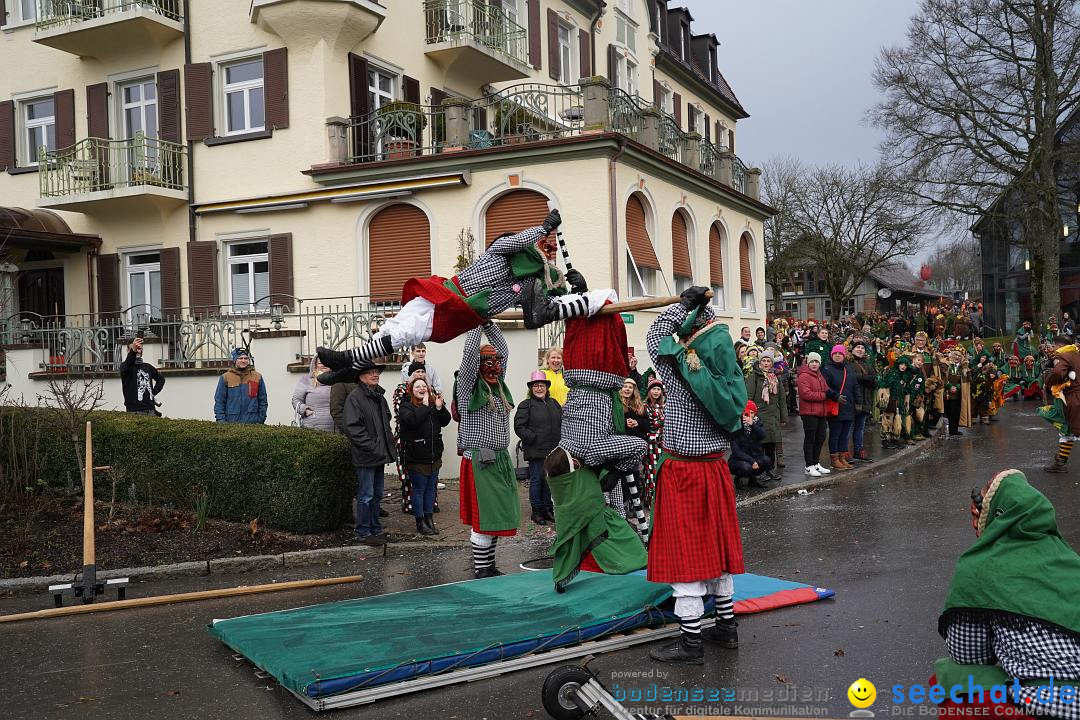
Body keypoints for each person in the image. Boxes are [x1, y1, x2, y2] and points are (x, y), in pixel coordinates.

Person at [317, 210, 607, 382]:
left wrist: (579, 288)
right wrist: (542, 228)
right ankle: (350, 368)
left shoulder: (527, 286)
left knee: (407, 332)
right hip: (446, 293)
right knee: (396, 326)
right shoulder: (500, 250)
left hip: (457, 313)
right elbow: (518, 240)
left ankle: (348, 357)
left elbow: (551, 308)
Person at [646, 287, 746, 663]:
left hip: (685, 473)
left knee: (685, 555)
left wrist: (681, 305)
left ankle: (690, 642)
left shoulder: (680, 373)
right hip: (716, 470)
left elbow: (655, 335)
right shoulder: (729, 376)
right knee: (716, 551)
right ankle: (726, 627)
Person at [934, 470, 1080, 718]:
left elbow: (967, 654)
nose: (974, 525)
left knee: (951, 678)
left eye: (976, 516)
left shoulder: (979, 568)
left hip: (1055, 704)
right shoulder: (1069, 559)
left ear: (997, 517)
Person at [457, 323, 519, 578]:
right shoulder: (468, 387)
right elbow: (470, 355)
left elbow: (503, 348)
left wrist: (488, 324)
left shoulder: (498, 386)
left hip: (500, 458)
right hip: (480, 460)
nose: (495, 367)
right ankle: (481, 569)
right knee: (485, 517)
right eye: (488, 362)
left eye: (497, 362)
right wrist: (472, 323)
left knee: (499, 514)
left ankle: (489, 565)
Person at [343, 359, 396, 546]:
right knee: (365, 495)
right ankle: (364, 531)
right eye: (371, 372)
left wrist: (387, 442)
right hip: (366, 456)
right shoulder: (355, 398)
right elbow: (353, 428)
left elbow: (386, 422)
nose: (375, 374)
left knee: (377, 494)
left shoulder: (379, 397)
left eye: (377, 372)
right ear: (361, 376)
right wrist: (373, 446)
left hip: (378, 454)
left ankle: (375, 528)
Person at [397, 376, 452, 536]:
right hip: (416, 456)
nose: (422, 389)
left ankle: (429, 519)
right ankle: (420, 522)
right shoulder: (406, 405)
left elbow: (446, 421)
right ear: (411, 391)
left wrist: (440, 408)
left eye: (424, 386)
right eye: (418, 387)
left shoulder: (434, 404)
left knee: (430, 490)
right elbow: (412, 421)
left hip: (434, 456)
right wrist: (426, 406)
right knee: (419, 489)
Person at [514, 371, 561, 525]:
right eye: (536, 385)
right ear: (531, 388)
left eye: (542, 385)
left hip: (553, 450)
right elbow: (519, 426)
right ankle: (537, 511)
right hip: (536, 450)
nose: (539, 388)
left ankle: (548, 509)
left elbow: (562, 423)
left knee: (549, 480)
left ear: (547, 387)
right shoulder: (526, 405)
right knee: (536, 481)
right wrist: (532, 438)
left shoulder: (554, 403)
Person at [1038, 337, 1080, 473]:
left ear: (1060, 345)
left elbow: (1057, 373)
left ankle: (1060, 462)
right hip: (1074, 397)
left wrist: (1048, 379)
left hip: (1071, 399)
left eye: (1054, 345)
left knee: (1067, 427)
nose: (1052, 348)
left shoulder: (1064, 355)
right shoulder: (1076, 354)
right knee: (1067, 429)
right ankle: (1060, 462)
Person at [744, 353, 786, 480]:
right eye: (764, 361)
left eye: (769, 361)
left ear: (772, 363)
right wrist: (747, 417)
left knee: (771, 446)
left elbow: (782, 399)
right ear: (760, 362)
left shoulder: (775, 378)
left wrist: (783, 417)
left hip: (773, 416)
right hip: (758, 417)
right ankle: (759, 472)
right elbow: (748, 398)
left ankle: (769, 470)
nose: (766, 363)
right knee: (759, 446)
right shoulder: (753, 377)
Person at [797, 352, 833, 478]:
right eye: (812, 362)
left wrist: (834, 395)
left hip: (820, 412)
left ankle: (816, 463)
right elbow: (806, 394)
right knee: (810, 439)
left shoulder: (819, 375)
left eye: (816, 362)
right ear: (808, 362)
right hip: (809, 412)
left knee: (820, 438)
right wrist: (824, 396)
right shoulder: (804, 376)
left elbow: (826, 389)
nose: (814, 364)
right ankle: (809, 465)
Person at [822, 344, 856, 470]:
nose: (837, 355)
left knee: (845, 434)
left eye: (840, 354)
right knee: (835, 434)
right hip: (835, 407)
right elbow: (825, 387)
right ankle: (834, 459)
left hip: (848, 406)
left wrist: (858, 402)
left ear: (844, 356)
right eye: (835, 353)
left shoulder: (848, 369)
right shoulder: (827, 369)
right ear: (832, 355)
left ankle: (842, 457)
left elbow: (855, 386)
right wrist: (836, 396)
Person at [213, 348, 267, 424]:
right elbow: (220, 401)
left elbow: (263, 401)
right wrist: (221, 421)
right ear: (235, 360)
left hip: (253, 424)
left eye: (246, 358)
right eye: (240, 358)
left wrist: (260, 419)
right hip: (231, 424)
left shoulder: (257, 377)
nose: (243, 361)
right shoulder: (226, 377)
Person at [729, 401, 774, 488]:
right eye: (747, 412)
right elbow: (736, 451)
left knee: (766, 461)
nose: (750, 415)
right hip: (738, 459)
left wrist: (753, 425)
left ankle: (753, 479)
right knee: (746, 467)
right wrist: (752, 461)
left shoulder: (757, 422)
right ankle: (738, 478)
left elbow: (763, 435)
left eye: (752, 413)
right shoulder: (737, 425)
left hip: (755, 455)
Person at [120, 336, 164, 415]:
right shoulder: (125, 366)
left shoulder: (148, 367)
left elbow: (161, 379)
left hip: (150, 410)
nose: (137, 351)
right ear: (128, 350)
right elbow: (127, 366)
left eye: (139, 349)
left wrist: (153, 392)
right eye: (133, 349)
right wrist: (133, 351)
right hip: (134, 411)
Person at [290, 356, 335, 432]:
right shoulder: (306, 380)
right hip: (312, 428)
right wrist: (305, 410)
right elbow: (296, 399)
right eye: (320, 363)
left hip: (335, 429)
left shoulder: (338, 381)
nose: (324, 365)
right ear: (315, 364)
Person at [848, 340, 876, 462]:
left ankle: (858, 451)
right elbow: (851, 378)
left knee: (860, 428)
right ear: (852, 350)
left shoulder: (868, 365)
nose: (860, 349)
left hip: (865, 400)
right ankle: (845, 452)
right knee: (849, 428)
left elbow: (874, 381)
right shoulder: (848, 363)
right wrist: (866, 378)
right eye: (858, 347)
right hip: (852, 400)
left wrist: (865, 379)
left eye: (862, 348)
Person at [643, 377, 665, 507]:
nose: (656, 392)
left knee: (662, 472)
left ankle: (660, 499)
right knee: (651, 471)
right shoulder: (646, 406)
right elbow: (650, 424)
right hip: (651, 444)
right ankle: (651, 500)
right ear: (649, 391)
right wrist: (663, 423)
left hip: (663, 443)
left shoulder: (662, 406)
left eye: (658, 389)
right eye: (654, 389)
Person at [939, 348, 971, 436]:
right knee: (949, 412)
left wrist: (957, 386)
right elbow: (943, 378)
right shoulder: (946, 364)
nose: (957, 357)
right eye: (955, 355)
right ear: (951, 355)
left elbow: (967, 380)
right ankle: (950, 429)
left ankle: (955, 429)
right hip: (947, 392)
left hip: (958, 392)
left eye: (959, 356)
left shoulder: (962, 366)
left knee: (957, 412)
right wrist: (949, 386)